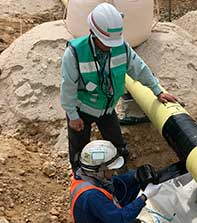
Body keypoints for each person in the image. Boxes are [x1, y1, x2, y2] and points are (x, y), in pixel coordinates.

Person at [60, 3, 177, 171]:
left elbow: (139, 68)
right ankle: (81, 180)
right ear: (92, 33)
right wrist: (72, 115)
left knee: (118, 147)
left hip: (107, 109)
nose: (110, 46)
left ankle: (119, 174)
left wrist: (156, 89)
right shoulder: (75, 53)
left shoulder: (121, 48)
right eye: (105, 42)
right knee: (79, 152)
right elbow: (68, 86)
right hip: (81, 110)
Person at [69, 140, 161, 223]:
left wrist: (138, 175)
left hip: (102, 219)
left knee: (131, 181)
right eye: (111, 169)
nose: (114, 171)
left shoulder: (87, 175)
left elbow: (117, 183)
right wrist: (144, 197)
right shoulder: (92, 196)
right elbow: (119, 221)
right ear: (99, 171)